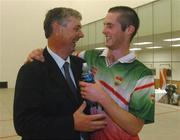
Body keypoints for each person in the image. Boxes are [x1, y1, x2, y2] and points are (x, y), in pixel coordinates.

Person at [27, 6, 155, 140]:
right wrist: (40, 53)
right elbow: (58, 55)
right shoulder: (88, 57)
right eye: (104, 25)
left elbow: (135, 127)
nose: (104, 30)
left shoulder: (143, 75)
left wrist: (103, 98)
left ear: (129, 30)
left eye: (110, 26)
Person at [13, 7, 107, 140]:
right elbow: (23, 124)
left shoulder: (81, 64)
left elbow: (89, 102)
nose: (81, 34)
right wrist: (72, 123)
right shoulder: (31, 70)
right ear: (57, 28)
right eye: (76, 28)